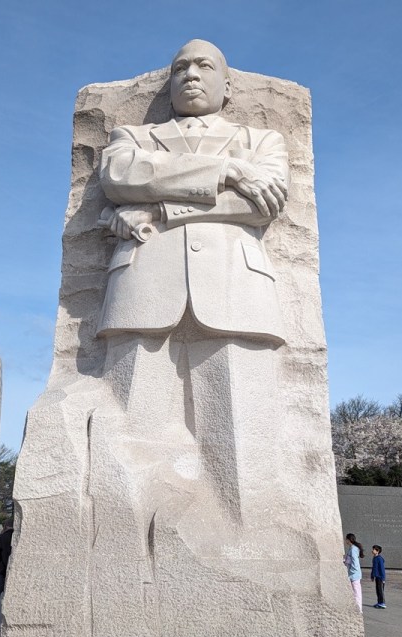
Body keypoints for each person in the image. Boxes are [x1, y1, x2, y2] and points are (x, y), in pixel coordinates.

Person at [96, 39, 290, 521]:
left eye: (205, 66)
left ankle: (250, 536)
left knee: (242, 433)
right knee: (130, 430)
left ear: (228, 86)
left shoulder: (262, 141)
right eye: (181, 67)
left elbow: (260, 204)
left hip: (235, 290)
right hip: (142, 287)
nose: (191, 74)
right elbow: (121, 176)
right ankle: (126, 534)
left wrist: (160, 209)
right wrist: (225, 169)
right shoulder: (133, 137)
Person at [343, 533, 364, 611]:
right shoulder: (352, 548)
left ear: (348, 540)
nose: (345, 541)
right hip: (353, 574)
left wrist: (352, 572)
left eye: (346, 539)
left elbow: (355, 562)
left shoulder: (353, 549)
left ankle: (359, 609)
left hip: (354, 575)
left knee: (356, 593)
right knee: (354, 592)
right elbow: (350, 560)